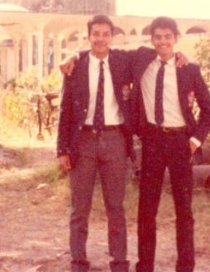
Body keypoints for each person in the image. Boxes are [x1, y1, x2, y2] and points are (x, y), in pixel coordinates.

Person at [132, 17, 210, 272]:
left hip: (181, 142)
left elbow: (209, 110)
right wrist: (74, 57)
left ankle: (185, 267)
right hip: (153, 141)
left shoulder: (189, 69)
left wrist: (194, 140)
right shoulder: (142, 62)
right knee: (147, 209)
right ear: (152, 40)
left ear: (176, 39)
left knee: (184, 209)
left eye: (168, 37)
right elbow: (106, 51)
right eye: (158, 37)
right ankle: (145, 266)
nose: (163, 41)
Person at [57, 14, 133, 272]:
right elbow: (65, 109)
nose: (100, 38)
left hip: (115, 140)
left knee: (116, 206)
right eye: (96, 33)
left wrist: (181, 57)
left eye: (105, 34)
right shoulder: (76, 66)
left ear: (112, 37)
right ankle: (78, 262)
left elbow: (150, 53)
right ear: (89, 36)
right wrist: (62, 150)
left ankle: (119, 263)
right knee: (80, 207)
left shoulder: (122, 61)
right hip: (83, 141)